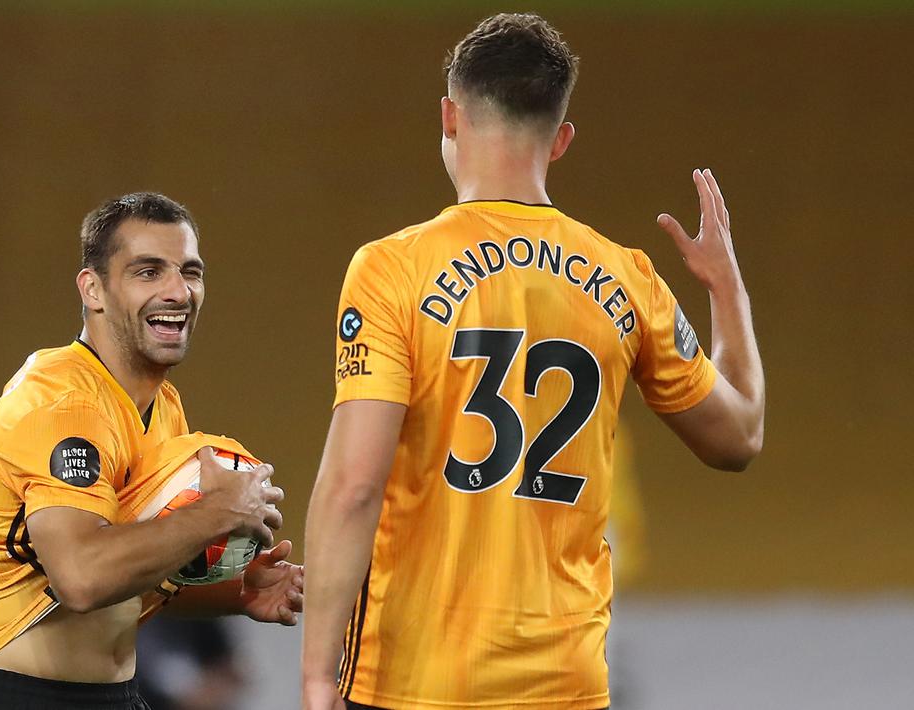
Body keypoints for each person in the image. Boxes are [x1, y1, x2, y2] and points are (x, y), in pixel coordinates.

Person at [301, 13, 764, 710]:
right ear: (562, 139)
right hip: (566, 684)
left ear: (449, 116)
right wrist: (726, 291)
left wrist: (315, 674)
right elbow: (739, 437)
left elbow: (353, 487)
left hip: (414, 680)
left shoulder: (391, 269)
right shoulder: (627, 278)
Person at [0, 192, 304, 710]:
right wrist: (215, 514)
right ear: (93, 289)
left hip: (116, 697)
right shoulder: (64, 406)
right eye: (148, 272)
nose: (178, 291)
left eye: (190, 272)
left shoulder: (160, 406)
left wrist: (238, 591)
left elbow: (127, 590)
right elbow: (83, 580)